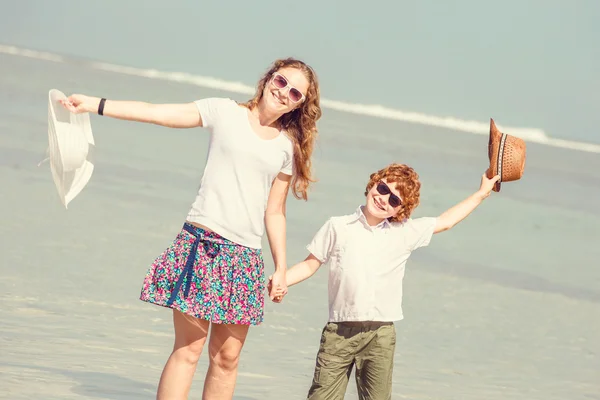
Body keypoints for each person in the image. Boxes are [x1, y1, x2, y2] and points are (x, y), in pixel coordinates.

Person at [60, 58, 322, 400]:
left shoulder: (287, 147)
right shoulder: (224, 112)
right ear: (267, 78)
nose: (284, 91)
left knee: (227, 358)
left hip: (243, 258)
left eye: (294, 92)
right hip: (200, 243)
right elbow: (157, 112)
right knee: (189, 349)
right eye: (281, 80)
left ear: (300, 104)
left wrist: (281, 268)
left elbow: (275, 211)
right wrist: (96, 105)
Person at [270, 163, 500, 400]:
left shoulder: (404, 232)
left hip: (380, 335)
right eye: (383, 189)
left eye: (394, 201)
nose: (383, 199)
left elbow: (446, 221)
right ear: (373, 184)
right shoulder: (338, 226)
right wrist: (281, 279)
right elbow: (310, 263)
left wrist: (481, 193)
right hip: (339, 332)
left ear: (400, 210)